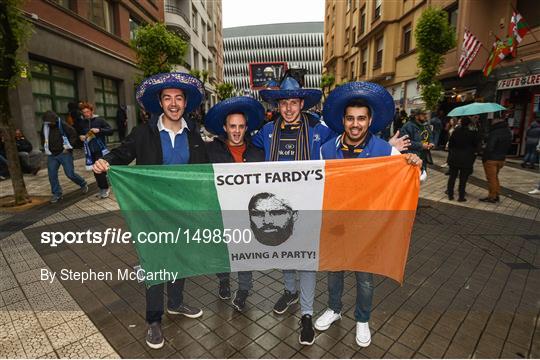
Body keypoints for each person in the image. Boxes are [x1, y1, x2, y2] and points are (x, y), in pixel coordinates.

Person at [92, 72, 208, 350]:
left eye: (179, 98)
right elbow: (122, 154)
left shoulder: (194, 133)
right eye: (168, 98)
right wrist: (104, 162)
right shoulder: (143, 133)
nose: (173, 103)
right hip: (152, 212)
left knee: (180, 257)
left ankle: (177, 303)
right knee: (155, 263)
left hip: (184, 211)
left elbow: (205, 167)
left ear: (185, 103)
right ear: (160, 102)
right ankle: (154, 320)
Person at [315, 82, 422, 348]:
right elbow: (318, 183)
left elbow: (415, 176)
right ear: (343, 120)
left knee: (364, 277)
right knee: (334, 270)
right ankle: (334, 308)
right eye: (350, 118)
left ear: (369, 120)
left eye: (361, 118)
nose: (355, 124)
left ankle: (362, 319)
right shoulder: (326, 149)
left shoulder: (386, 151)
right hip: (336, 223)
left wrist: (415, 164)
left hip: (368, 226)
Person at [252, 73, 333, 343]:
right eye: (283, 103)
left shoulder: (319, 130)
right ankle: (290, 291)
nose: (288, 108)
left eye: (293, 102)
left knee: (306, 259)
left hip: (308, 207)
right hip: (277, 206)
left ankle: (307, 314)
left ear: (302, 104)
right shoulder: (266, 131)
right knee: (284, 252)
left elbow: (344, 148)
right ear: (277, 105)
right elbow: (246, 156)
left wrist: (387, 150)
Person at [204, 96, 265, 311]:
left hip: (247, 213)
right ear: (224, 127)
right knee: (222, 250)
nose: (237, 131)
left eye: (241, 126)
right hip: (220, 211)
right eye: (232, 126)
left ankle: (244, 290)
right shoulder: (210, 151)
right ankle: (223, 280)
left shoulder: (258, 153)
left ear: (246, 127)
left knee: (244, 251)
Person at [42, 111, 88, 203]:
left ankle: (83, 183)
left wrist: (68, 147)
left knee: (70, 174)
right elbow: (42, 137)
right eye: (47, 122)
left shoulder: (63, 125)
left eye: (50, 122)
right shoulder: (45, 127)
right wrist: (45, 147)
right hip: (52, 154)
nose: (49, 124)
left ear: (54, 120)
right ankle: (57, 193)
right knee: (52, 175)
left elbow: (73, 135)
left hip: (64, 153)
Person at [78, 101, 113, 199]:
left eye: (87, 112)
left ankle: (105, 188)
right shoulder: (82, 122)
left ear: (92, 111)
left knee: (99, 170)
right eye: (84, 112)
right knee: (95, 170)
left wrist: (100, 130)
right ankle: (102, 187)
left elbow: (110, 131)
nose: (86, 114)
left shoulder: (99, 120)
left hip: (100, 150)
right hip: (89, 151)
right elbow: (81, 134)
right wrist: (80, 137)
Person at [446, 117, 480, 202]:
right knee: (463, 179)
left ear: (461, 123)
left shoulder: (455, 132)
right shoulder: (472, 133)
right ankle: (461, 197)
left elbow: (450, 144)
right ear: (469, 124)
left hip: (454, 158)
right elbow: (476, 145)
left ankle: (450, 195)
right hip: (466, 159)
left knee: (452, 177)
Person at [479, 117, 512, 203]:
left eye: (493, 119)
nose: (492, 121)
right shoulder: (508, 131)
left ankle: (492, 197)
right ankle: (496, 194)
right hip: (501, 159)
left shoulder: (495, 132)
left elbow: (490, 147)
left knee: (491, 179)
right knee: (495, 177)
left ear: (497, 121)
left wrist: (484, 149)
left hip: (491, 159)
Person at [400, 108, 434, 174]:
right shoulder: (407, 126)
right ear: (416, 116)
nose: (426, 116)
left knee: (421, 176)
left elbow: (430, 135)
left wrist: (431, 143)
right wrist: (421, 145)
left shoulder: (426, 125)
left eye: (426, 114)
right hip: (413, 159)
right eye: (423, 114)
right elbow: (405, 142)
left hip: (423, 157)